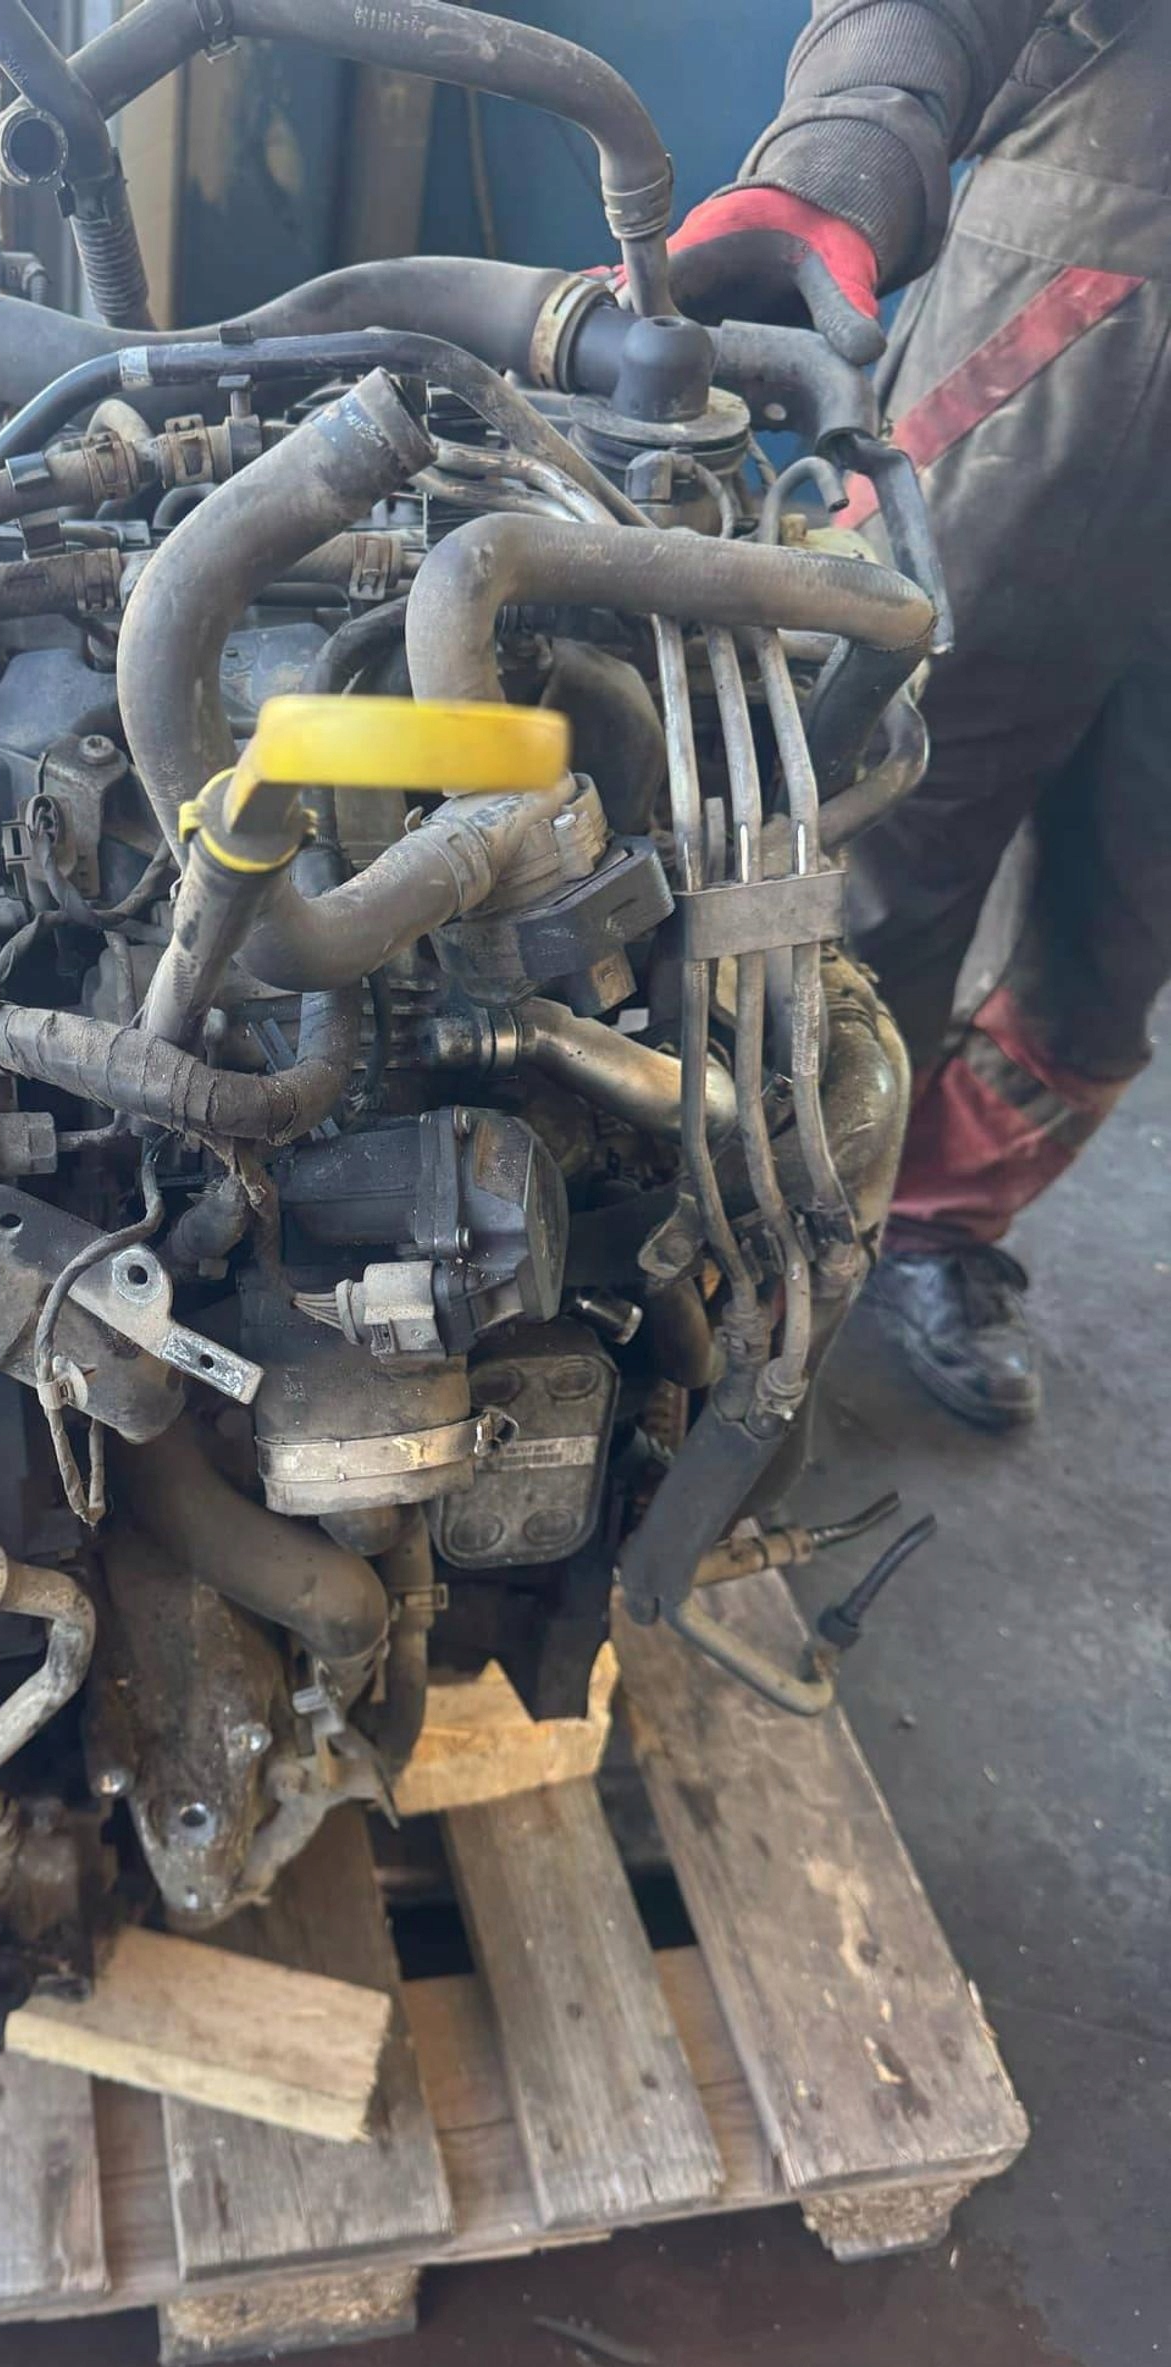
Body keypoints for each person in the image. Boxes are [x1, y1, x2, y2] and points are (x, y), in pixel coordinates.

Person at [653, 0, 1171, 1429]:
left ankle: (937, 1220)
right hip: (1062, 343)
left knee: (1126, 931)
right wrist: (846, 148)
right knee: (875, 835)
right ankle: (753, 1258)